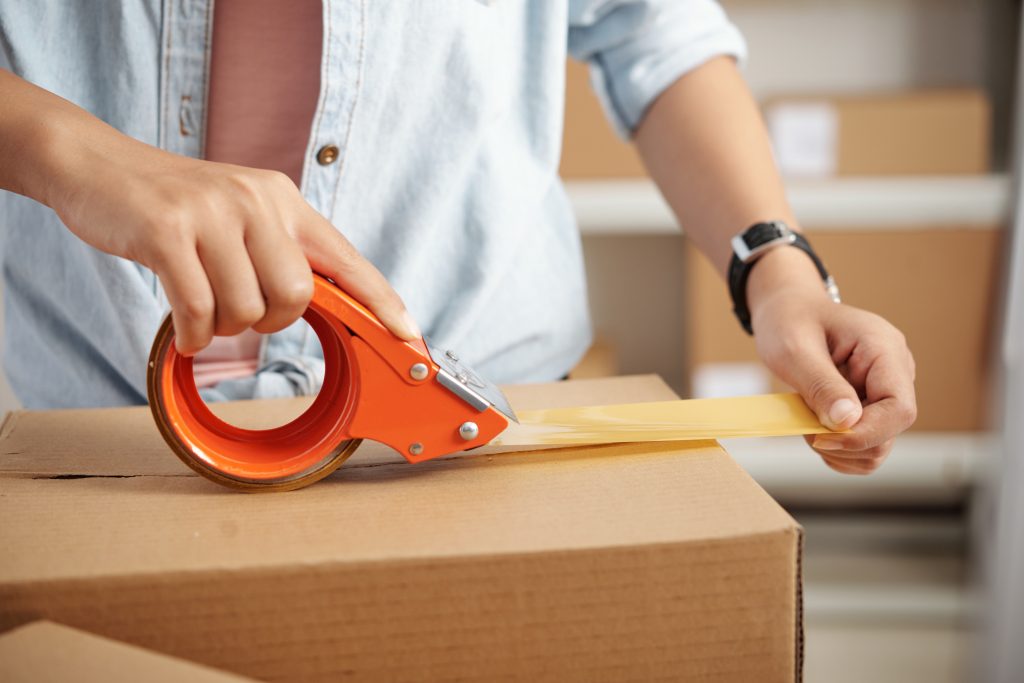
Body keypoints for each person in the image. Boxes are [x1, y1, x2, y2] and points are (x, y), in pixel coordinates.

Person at [0, 0, 915, 474]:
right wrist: (75, 154)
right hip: (96, 433)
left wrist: (777, 269)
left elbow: (652, 27)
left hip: (481, 421)